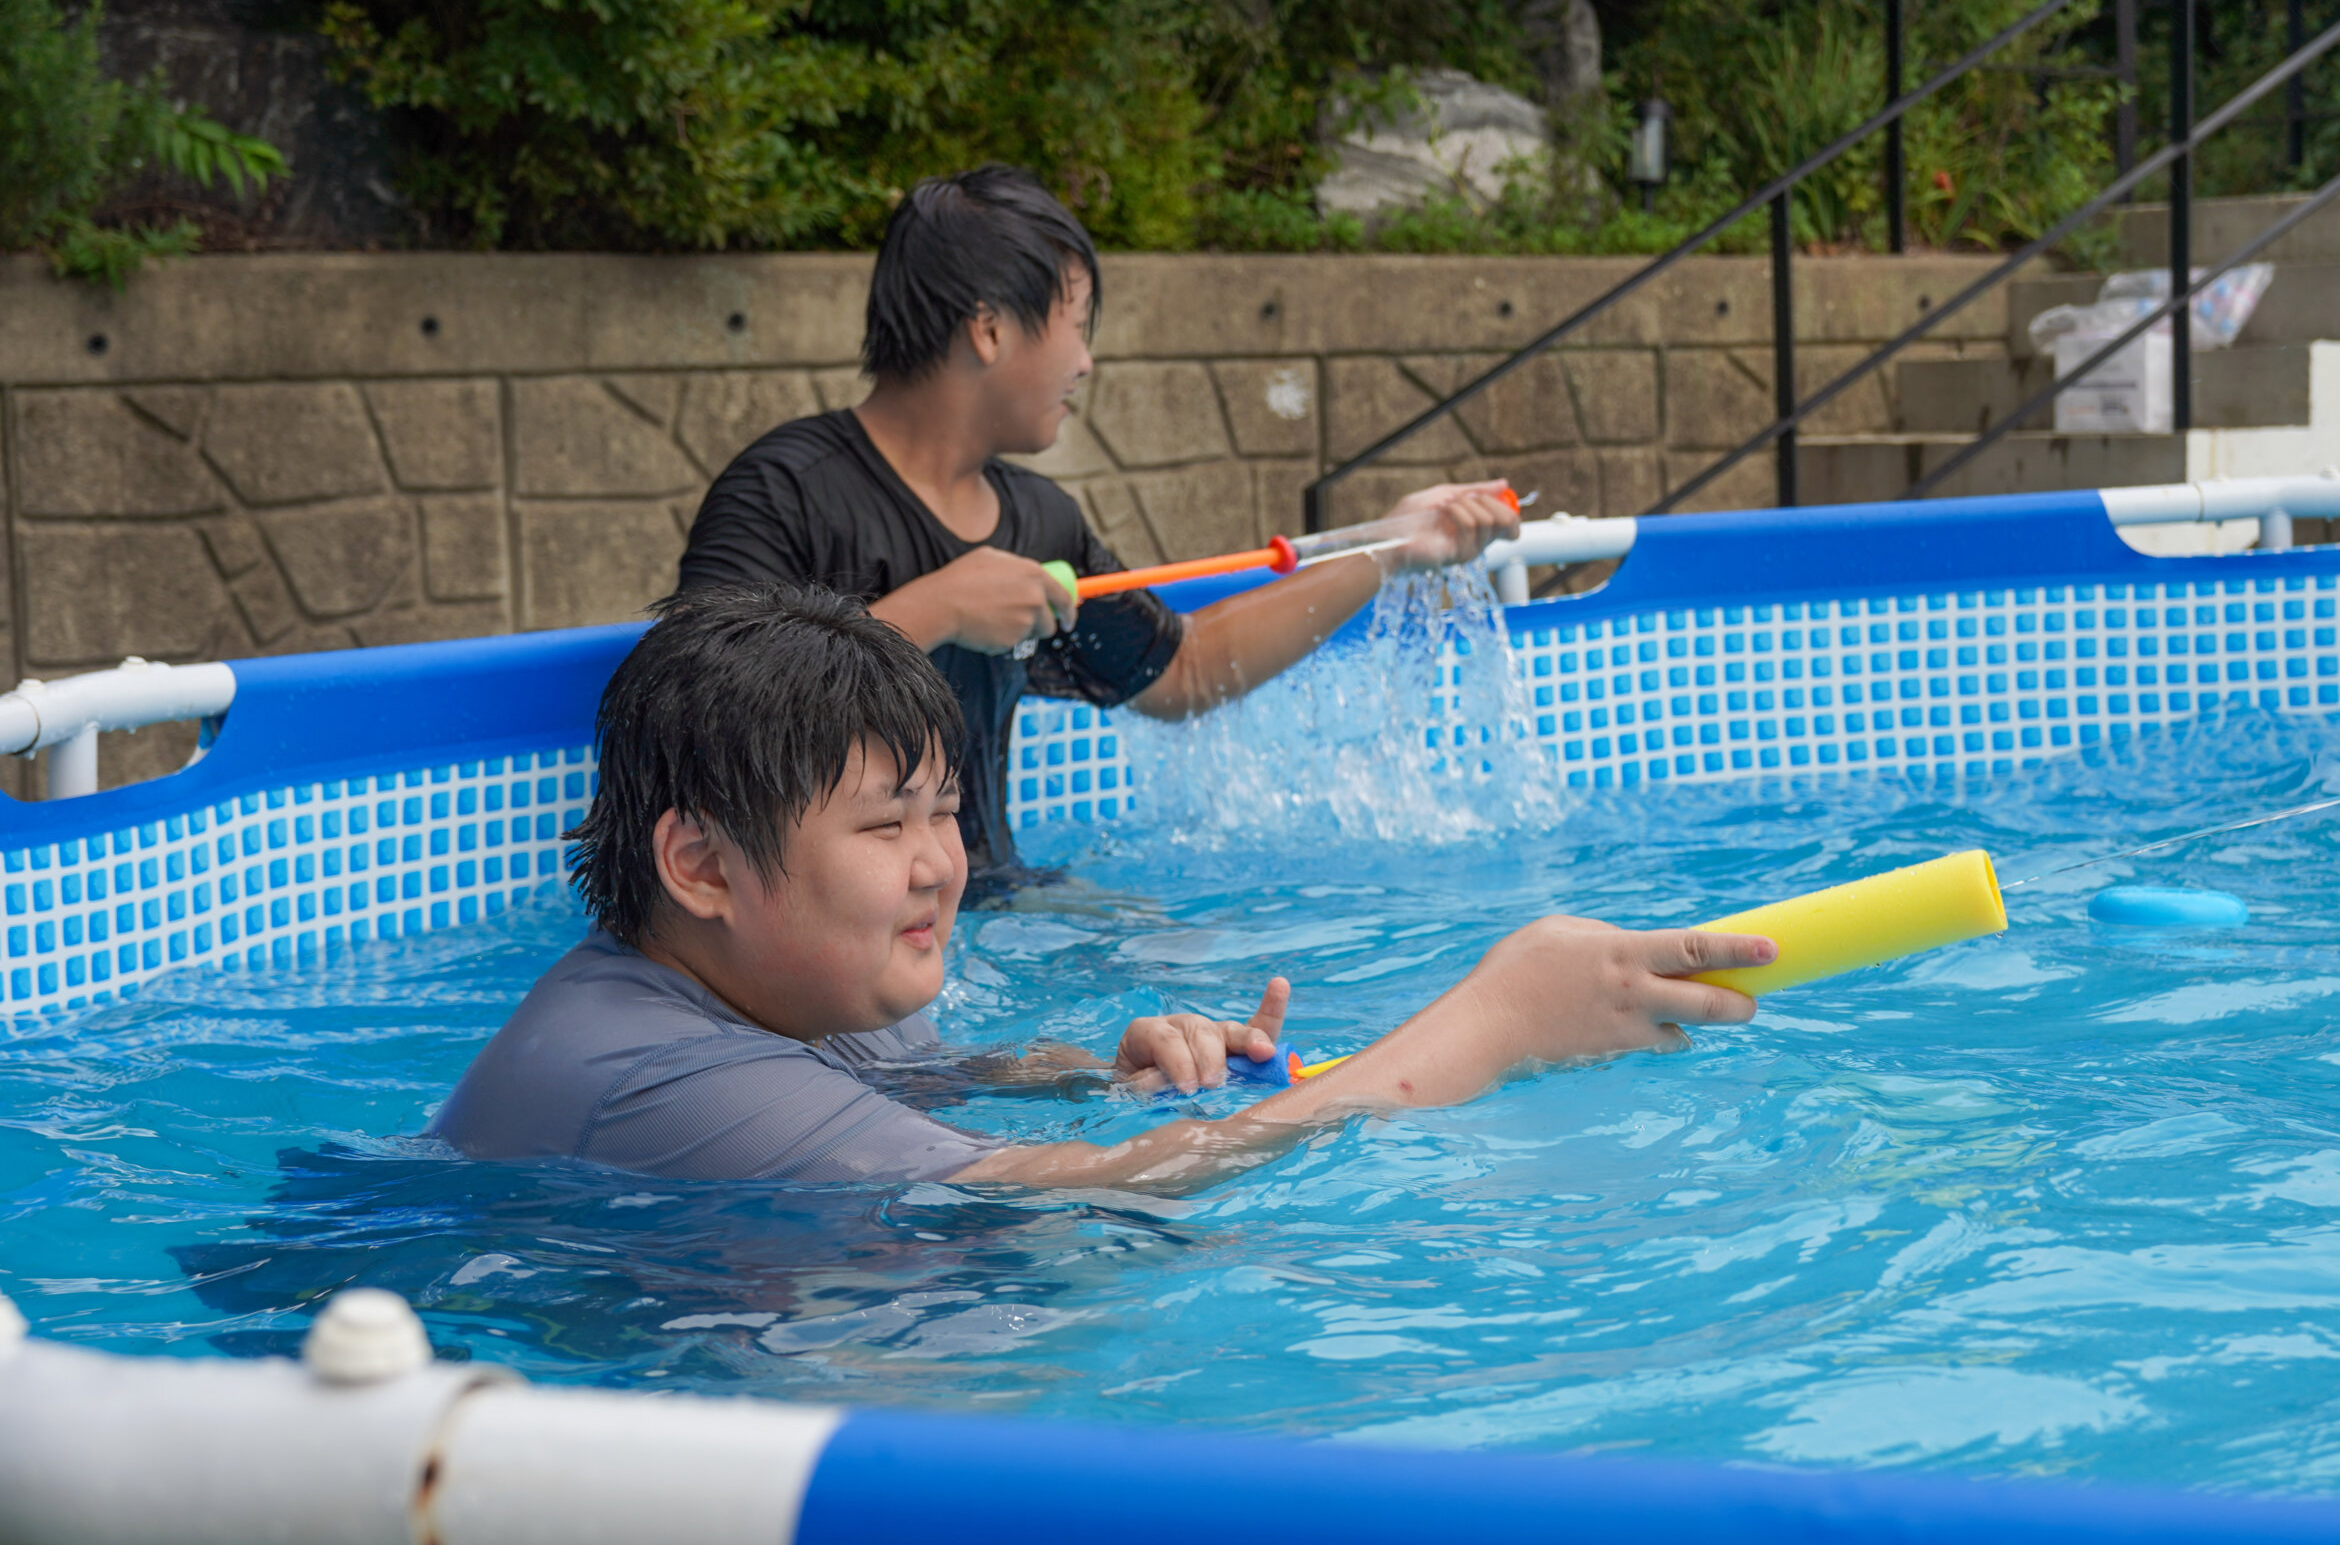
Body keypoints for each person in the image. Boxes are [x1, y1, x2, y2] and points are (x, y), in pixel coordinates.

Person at [430, 585, 1773, 1192]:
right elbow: (1096, 1192)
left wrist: (1083, 1073)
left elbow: (911, 1088)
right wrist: (1497, 1020)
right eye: (885, 823)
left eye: (945, 810)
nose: (940, 862)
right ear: (700, 864)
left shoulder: (786, 974)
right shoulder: (640, 1068)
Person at [675, 164, 1519, 887]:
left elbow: (1190, 668)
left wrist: (1390, 549)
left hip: (982, 903)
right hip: (821, 933)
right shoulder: (783, 491)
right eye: (1077, 326)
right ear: (989, 329)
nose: (1085, 361)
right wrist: (938, 609)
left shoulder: (1039, 519)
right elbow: (698, 720)